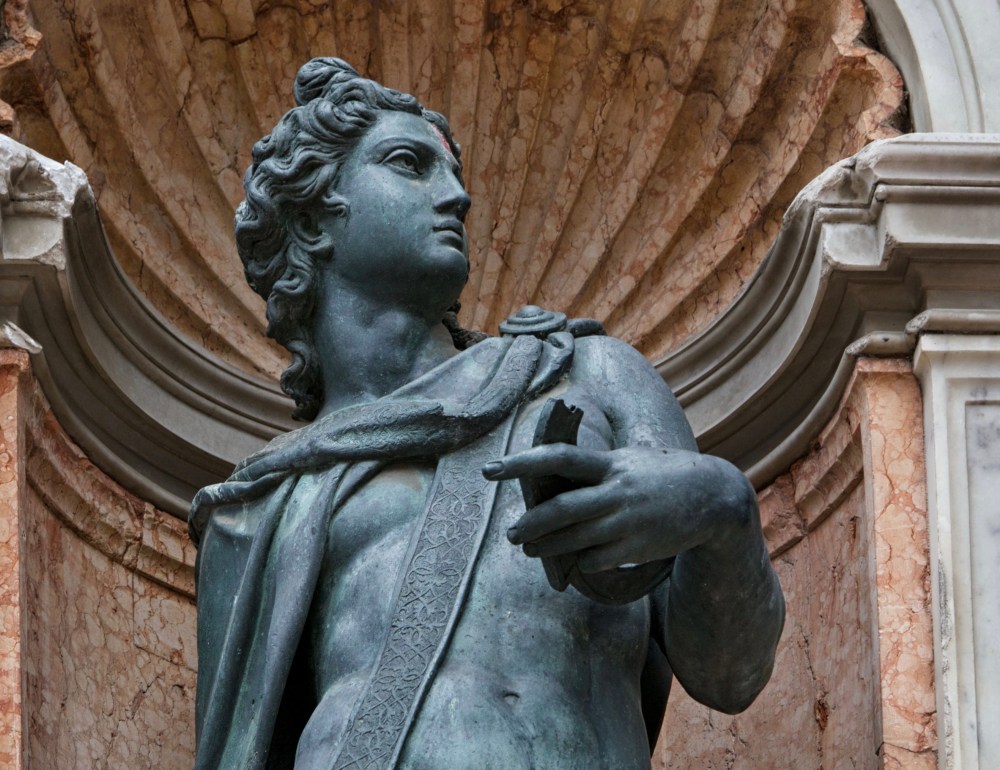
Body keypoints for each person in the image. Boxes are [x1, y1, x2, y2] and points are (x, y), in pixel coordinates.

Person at [189, 57, 784, 770]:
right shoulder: (260, 504)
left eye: (455, 175)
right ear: (314, 217)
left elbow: (730, 677)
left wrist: (723, 506)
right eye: (410, 165)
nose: (457, 198)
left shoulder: (584, 372)